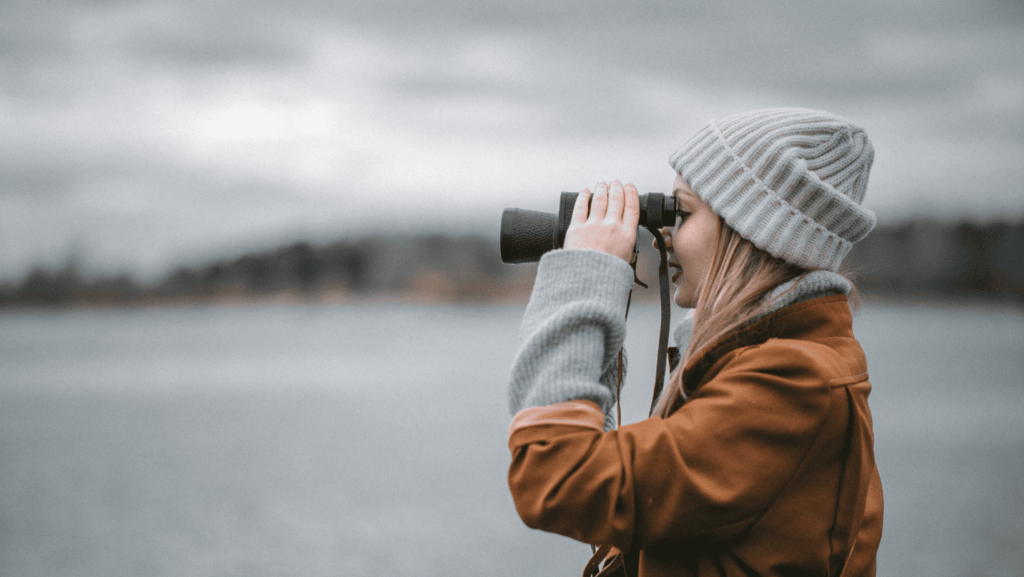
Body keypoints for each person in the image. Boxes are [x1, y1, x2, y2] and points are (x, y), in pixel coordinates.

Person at [506, 108, 883, 576]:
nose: (662, 235)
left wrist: (585, 276)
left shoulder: (792, 383)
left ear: (750, 230)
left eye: (682, 212)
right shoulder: (772, 364)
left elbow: (557, 480)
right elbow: (631, 501)